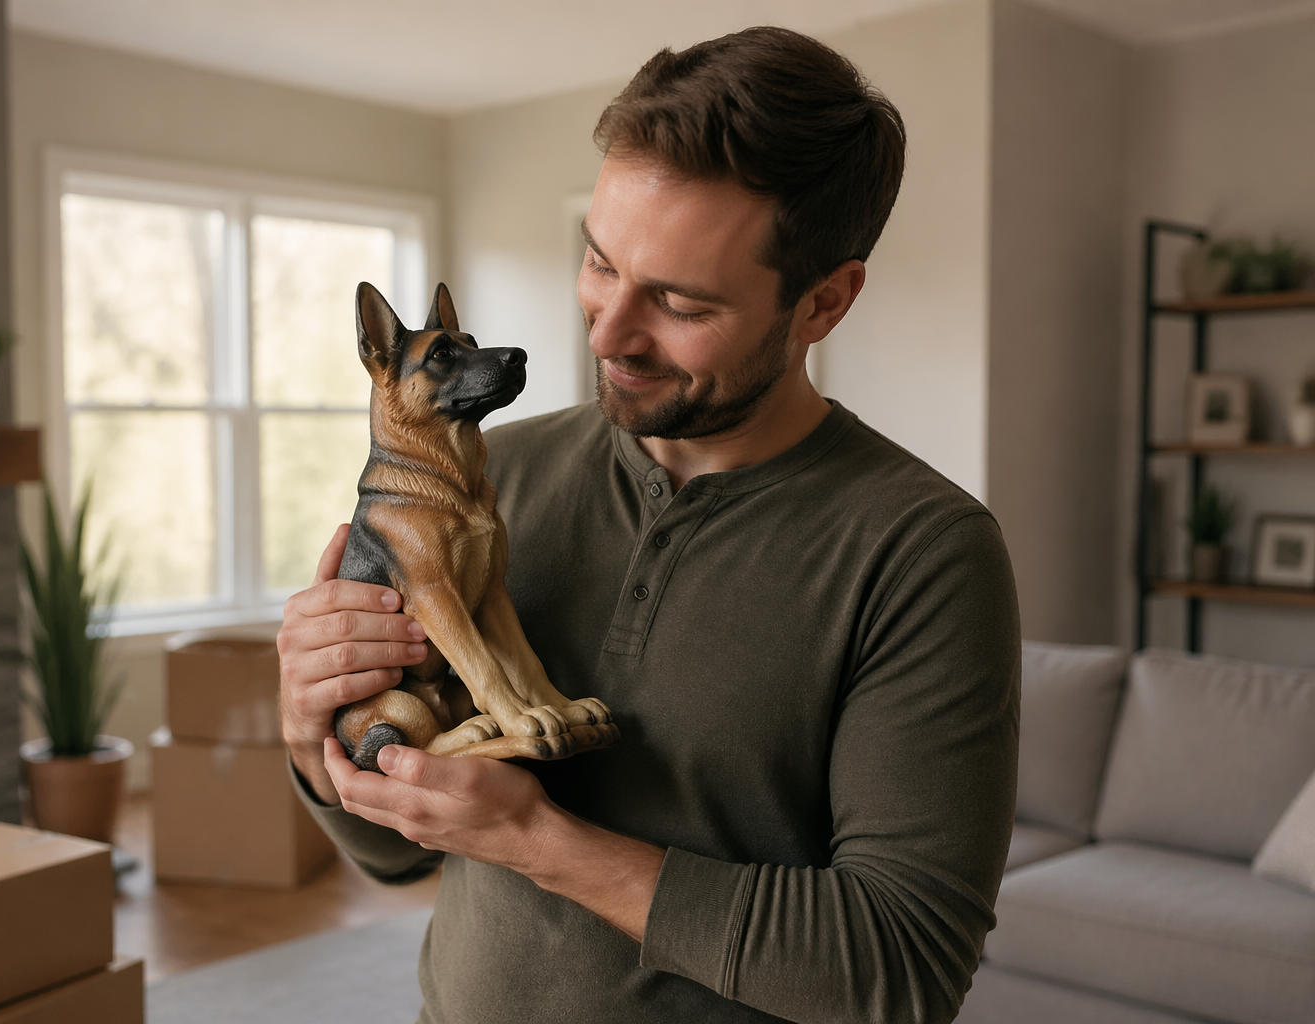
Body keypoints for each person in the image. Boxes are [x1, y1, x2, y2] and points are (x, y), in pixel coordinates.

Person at [278, 26, 1020, 1024]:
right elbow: (395, 849)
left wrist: (541, 840)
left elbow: (899, 969)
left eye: (677, 300)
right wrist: (308, 718)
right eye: (599, 261)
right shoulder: (498, 472)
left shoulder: (922, 553)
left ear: (823, 303)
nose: (607, 330)